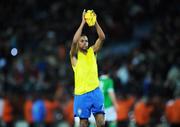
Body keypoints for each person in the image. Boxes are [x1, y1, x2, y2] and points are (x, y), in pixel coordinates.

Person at [70, 9, 106, 127]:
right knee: (83, 123)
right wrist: (82, 23)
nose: (85, 42)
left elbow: (102, 37)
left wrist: (95, 22)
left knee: (101, 122)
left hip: (95, 91)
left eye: (86, 41)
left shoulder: (92, 51)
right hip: (81, 94)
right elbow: (74, 41)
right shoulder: (75, 56)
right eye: (82, 41)